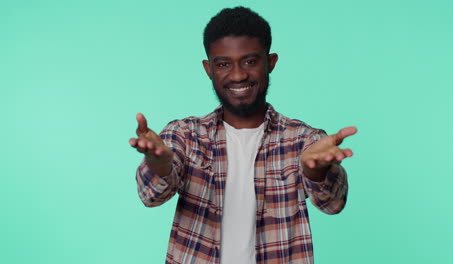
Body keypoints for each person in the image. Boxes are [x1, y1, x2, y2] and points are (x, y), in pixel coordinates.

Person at [129, 6, 357, 264]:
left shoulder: (303, 141)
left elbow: (333, 204)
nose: (237, 75)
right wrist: (159, 166)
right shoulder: (185, 135)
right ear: (209, 69)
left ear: (270, 62)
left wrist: (315, 173)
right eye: (224, 64)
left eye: (249, 61)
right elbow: (150, 196)